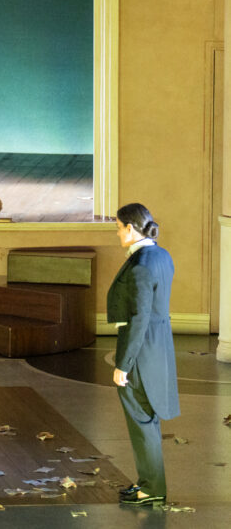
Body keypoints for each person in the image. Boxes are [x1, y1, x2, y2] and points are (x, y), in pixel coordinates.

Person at [108, 202, 180, 505]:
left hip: (139, 350)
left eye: (118, 228)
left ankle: (152, 489)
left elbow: (139, 319)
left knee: (141, 421)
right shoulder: (162, 256)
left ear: (130, 227)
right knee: (147, 418)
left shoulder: (140, 266)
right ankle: (149, 482)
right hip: (159, 347)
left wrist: (123, 365)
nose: (116, 233)